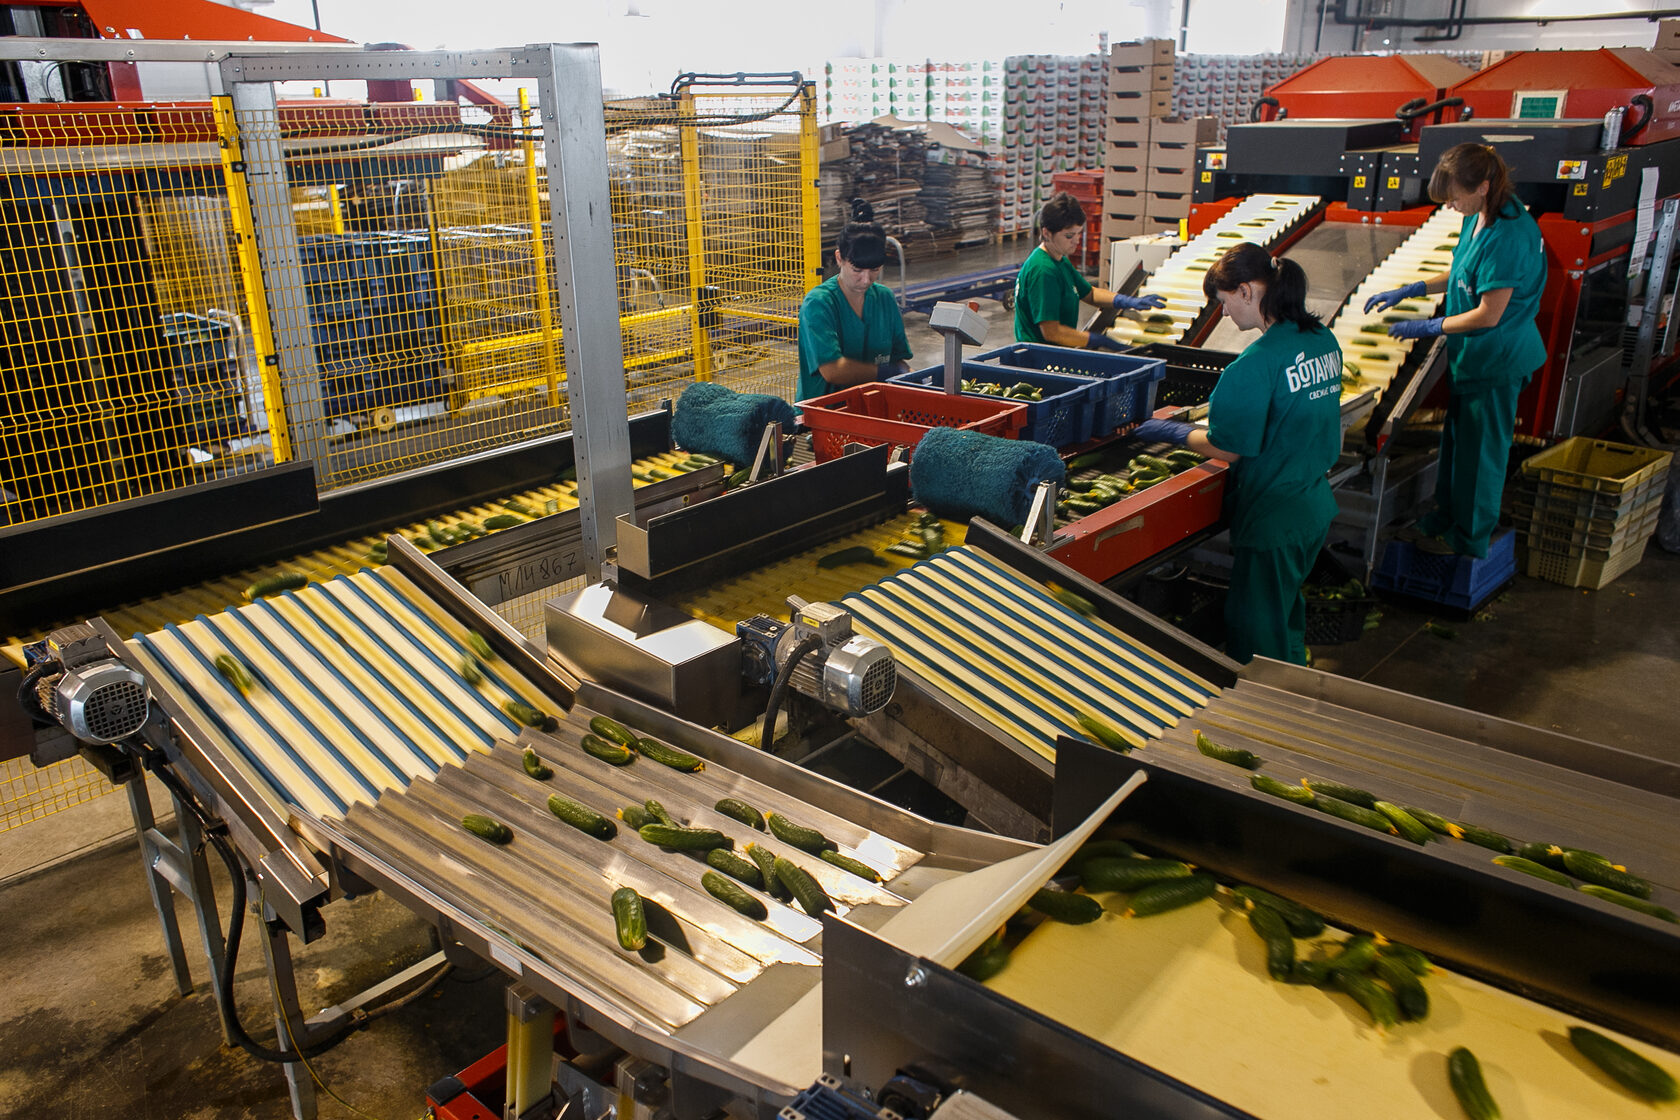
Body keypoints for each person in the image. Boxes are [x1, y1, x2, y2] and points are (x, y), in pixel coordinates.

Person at [1134, 243, 1343, 665]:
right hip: (1313, 506)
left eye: (1224, 302)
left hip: (1274, 517)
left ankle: (1267, 702)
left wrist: (1173, 431)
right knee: (1285, 615)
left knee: (1257, 634)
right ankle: (1294, 681)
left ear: (1246, 291)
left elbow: (1226, 449)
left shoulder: (1253, 365)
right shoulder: (1323, 340)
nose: (1225, 313)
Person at [1364, 142, 1546, 558]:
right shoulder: (1477, 215)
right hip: (1472, 357)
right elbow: (1464, 271)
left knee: (1481, 455)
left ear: (1483, 186)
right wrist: (1413, 289)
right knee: (1457, 446)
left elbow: (1488, 314)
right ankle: (1445, 516)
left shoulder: (1509, 235)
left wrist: (1430, 326)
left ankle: (1469, 538)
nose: (1449, 206)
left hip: (1497, 358)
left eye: (1453, 197)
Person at [1013, 191, 1166, 350]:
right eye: (1069, 236)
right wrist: (1096, 340)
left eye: (1079, 234)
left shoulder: (1059, 260)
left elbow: (1090, 293)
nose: (1076, 241)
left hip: (1055, 351)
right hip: (1038, 357)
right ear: (1046, 233)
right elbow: (1052, 333)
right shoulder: (1043, 271)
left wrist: (1126, 301)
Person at [797, 199, 912, 402]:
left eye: (875, 269)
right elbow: (833, 370)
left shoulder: (884, 298)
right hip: (825, 411)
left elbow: (898, 359)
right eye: (857, 270)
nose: (866, 280)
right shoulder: (819, 303)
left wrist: (911, 377)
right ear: (839, 258)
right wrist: (885, 372)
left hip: (872, 408)